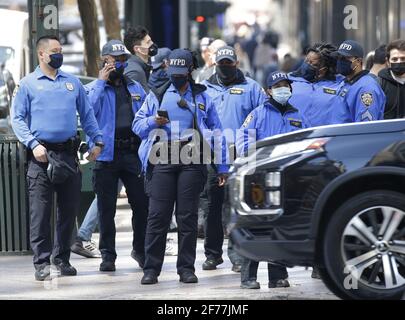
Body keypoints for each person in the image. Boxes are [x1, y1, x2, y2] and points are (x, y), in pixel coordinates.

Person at [11, 35, 103, 281]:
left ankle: (61, 258)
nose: (58, 54)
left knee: (68, 211)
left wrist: (98, 141)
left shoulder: (72, 83)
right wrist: (32, 144)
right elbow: (17, 119)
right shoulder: (28, 84)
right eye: (54, 51)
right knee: (40, 213)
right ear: (41, 54)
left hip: (68, 155)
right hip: (40, 157)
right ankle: (41, 262)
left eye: (60, 50)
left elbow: (88, 114)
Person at [132, 48, 228, 285]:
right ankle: (151, 269)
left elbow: (216, 132)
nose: (176, 75)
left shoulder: (203, 96)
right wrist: (153, 121)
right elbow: (138, 124)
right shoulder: (158, 93)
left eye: (180, 71)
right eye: (172, 70)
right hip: (162, 155)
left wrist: (222, 166)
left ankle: (186, 268)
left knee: (187, 217)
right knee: (157, 217)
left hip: (192, 156)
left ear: (190, 71)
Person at [236, 71, 308, 289]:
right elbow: (243, 143)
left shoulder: (299, 116)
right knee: (255, 225)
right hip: (260, 177)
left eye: (286, 85)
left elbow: (307, 142)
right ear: (269, 91)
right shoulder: (257, 114)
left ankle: (278, 276)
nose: (283, 89)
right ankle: (249, 276)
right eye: (277, 86)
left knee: (280, 225)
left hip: (287, 178)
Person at [202, 45, 267, 273]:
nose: (225, 67)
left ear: (236, 63)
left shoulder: (252, 88)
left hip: (241, 157)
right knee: (213, 207)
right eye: (222, 64)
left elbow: (263, 118)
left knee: (238, 207)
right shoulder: (204, 88)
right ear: (215, 65)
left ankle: (238, 255)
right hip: (212, 156)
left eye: (229, 63)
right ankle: (212, 254)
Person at [85, 40, 148, 272]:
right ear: (105, 60)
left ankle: (139, 250)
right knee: (106, 209)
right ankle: (107, 255)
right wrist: (101, 82)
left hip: (132, 154)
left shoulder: (135, 88)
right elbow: (87, 111)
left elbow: (146, 114)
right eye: (115, 60)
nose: (120, 64)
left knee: (142, 205)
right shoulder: (94, 88)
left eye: (123, 60)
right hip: (105, 156)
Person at [288, 43, 344, 127]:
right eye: (306, 61)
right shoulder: (288, 80)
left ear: (323, 69)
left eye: (313, 64)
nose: (307, 65)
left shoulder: (340, 85)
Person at [331, 40, 386, 124]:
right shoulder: (345, 82)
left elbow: (365, 128)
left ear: (358, 61)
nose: (340, 61)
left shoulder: (366, 88)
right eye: (338, 57)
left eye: (345, 58)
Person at [124, 25, 158, 93]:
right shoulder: (135, 72)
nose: (152, 44)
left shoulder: (141, 67)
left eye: (151, 41)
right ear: (137, 49)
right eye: (148, 42)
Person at [378, 39, 405, 119]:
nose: (399, 62)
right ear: (388, 62)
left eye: (403, 59)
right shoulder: (380, 83)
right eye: (394, 59)